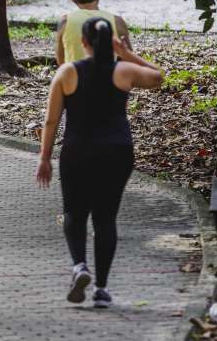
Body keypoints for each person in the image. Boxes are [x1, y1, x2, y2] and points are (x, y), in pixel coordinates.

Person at [36, 17, 164, 308]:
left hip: (78, 151)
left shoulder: (68, 73)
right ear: (111, 43)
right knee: (106, 219)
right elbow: (157, 76)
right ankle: (102, 290)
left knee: (74, 213)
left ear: (83, 43)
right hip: (116, 152)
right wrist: (126, 52)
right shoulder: (124, 71)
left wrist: (44, 157)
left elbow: (51, 120)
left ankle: (80, 266)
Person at [56, 0, 131, 65]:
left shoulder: (65, 22)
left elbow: (60, 61)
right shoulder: (117, 22)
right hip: (107, 78)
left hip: (74, 77)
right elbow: (130, 59)